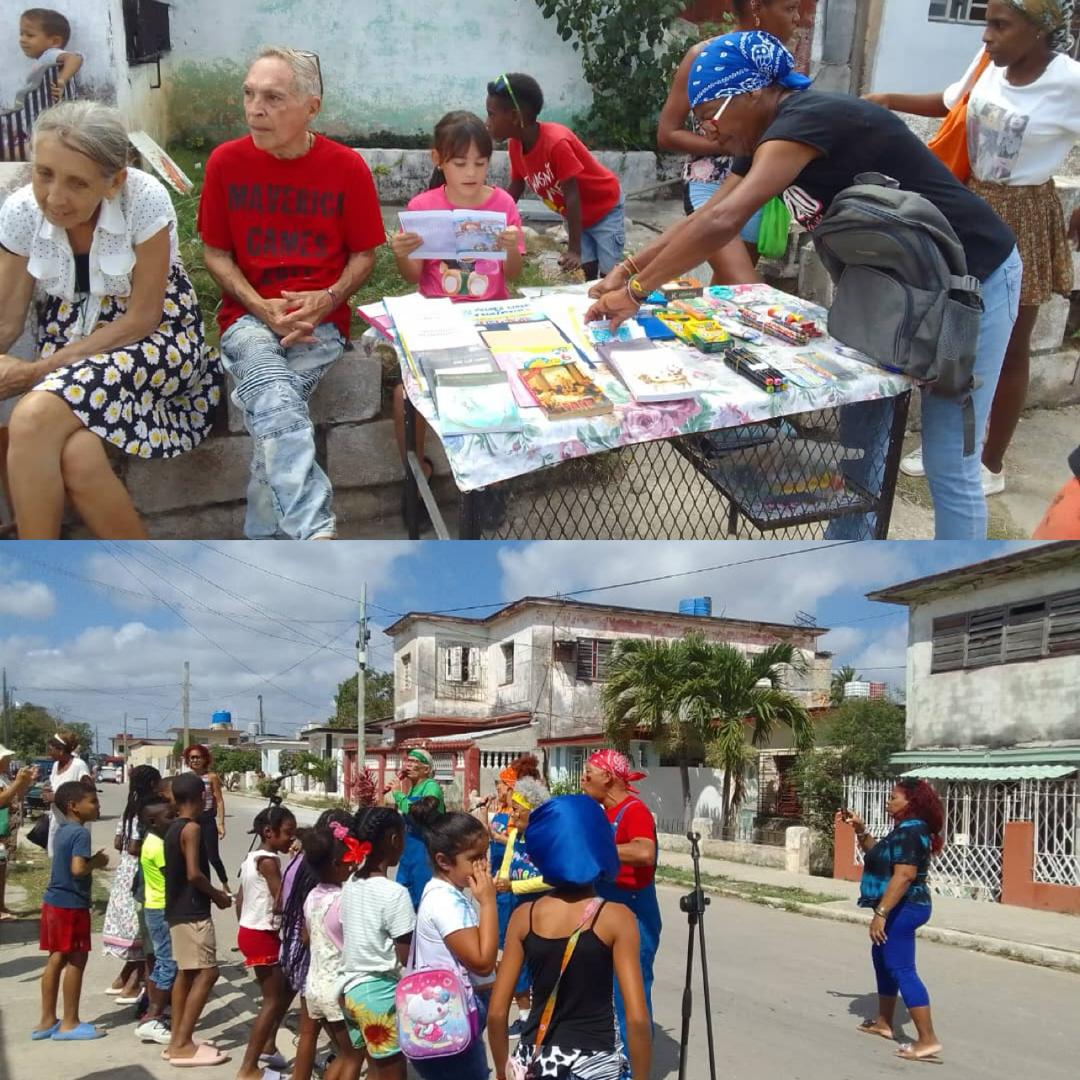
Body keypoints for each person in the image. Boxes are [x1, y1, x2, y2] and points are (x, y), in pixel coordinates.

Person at [585, 31, 1022, 541]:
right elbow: (705, 214)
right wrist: (626, 269)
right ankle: (850, 553)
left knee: (949, 459)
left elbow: (725, 220)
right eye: (700, 121)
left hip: (972, 284)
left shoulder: (810, 118)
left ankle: (958, 575)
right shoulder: (761, 139)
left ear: (753, 92)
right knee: (861, 443)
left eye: (710, 115)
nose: (708, 131)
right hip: (894, 293)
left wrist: (636, 293)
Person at [869, 0, 1080, 496]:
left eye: (1000, 25)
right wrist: (887, 99)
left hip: (1024, 215)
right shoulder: (988, 64)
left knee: (1008, 346)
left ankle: (990, 462)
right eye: (987, 23)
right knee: (951, 334)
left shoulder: (1070, 82)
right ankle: (947, 446)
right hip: (967, 205)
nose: (986, 36)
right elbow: (952, 102)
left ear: (1039, 30)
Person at [0, 101, 223, 538]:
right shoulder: (22, 211)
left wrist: (36, 371)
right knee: (77, 455)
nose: (55, 197)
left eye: (77, 183)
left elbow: (142, 318)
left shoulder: (143, 199)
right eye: (44, 174)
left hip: (154, 340)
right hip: (70, 336)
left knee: (32, 417)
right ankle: (145, 575)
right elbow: (7, 321)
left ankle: (33, 568)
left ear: (114, 181)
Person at [198, 46, 386, 540]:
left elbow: (364, 255)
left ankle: (263, 543)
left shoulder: (346, 167)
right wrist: (259, 306)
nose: (255, 109)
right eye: (249, 94)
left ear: (311, 107)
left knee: (273, 415)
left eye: (273, 98)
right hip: (247, 319)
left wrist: (328, 297)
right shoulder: (225, 163)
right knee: (277, 399)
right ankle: (313, 530)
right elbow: (215, 253)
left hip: (317, 324)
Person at [389, 109, 525, 517]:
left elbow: (513, 273)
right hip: (438, 320)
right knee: (405, 396)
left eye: (480, 163)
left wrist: (510, 249)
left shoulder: (502, 203)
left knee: (502, 386)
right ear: (438, 160)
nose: (471, 172)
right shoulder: (423, 207)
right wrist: (402, 254)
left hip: (490, 318)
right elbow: (414, 275)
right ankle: (416, 474)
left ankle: (493, 480)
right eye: (460, 162)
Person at [489, 794, 651, 1080]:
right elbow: (637, 1019)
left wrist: (504, 1072)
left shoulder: (524, 916)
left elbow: (497, 1013)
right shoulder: (617, 918)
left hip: (537, 1058)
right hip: (595, 1062)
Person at [657, 0, 803, 278]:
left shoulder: (775, 60)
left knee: (727, 288)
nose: (797, 18)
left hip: (756, 188)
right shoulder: (704, 56)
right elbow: (667, 133)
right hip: (711, 185)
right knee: (741, 281)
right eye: (789, 8)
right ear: (757, 8)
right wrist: (731, 143)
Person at [841, 778, 946, 1064]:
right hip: (902, 905)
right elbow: (877, 854)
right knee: (882, 957)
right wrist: (860, 828)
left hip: (905, 906)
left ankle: (927, 1039)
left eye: (893, 797)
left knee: (901, 968)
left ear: (911, 802)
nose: (888, 802)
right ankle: (884, 1022)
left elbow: (905, 875)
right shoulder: (904, 829)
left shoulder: (911, 831)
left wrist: (882, 913)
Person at [485, 72, 624, 280]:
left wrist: (574, 250)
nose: (487, 122)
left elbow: (572, 196)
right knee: (587, 270)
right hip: (577, 217)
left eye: (491, 114)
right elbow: (516, 186)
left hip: (604, 209)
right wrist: (492, 220)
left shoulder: (556, 143)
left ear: (514, 116)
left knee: (610, 274)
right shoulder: (515, 145)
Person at [409, 799, 499, 1080]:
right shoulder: (445, 902)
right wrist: (488, 902)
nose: (483, 865)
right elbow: (482, 962)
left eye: (485, 855)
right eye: (474, 858)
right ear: (444, 861)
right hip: (451, 1014)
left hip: (455, 1012)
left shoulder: (446, 894)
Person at [580, 750, 660, 1053]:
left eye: (588, 773)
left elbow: (644, 852)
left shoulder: (634, 811)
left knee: (630, 994)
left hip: (633, 911)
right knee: (604, 991)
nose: (583, 779)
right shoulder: (605, 814)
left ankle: (633, 1064)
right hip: (605, 908)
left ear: (607, 777)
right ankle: (610, 1056)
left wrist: (597, 850)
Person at [279, 808, 355, 1080]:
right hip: (335, 987)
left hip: (314, 982)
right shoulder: (342, 899)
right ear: (336, 863)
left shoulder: (312, 892)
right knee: (351, 1055)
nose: (352, 864)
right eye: (348, 859)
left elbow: (305, 934)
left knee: (331, 1046)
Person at [339, 807, 415, 1080]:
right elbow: (406, 957)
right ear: (394, 839)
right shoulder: (395, 894)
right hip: (379, 995)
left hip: (351, 991)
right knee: (394, 1074)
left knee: (375, 1069)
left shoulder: (351, 882)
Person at [163, 771, 232, 1067]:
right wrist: (217, 895)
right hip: (193, 911)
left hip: (177, 909)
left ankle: (178, 1039)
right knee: (208, 973)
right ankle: (182, 1044)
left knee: (187, 973)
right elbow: (194, 873)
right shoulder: (191, 829)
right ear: (201, 797)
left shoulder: (172, 827)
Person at [33, 779, 108, 1040]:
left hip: (54, 902)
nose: (98, 806)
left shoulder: (63, 830)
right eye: (93, 801)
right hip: (71, 905)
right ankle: (70, 1022)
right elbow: (78, 869)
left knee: (56, 958)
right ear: (73, 806)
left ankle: (46, 1020)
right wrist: (96, 862)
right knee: (77, 959)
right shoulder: (80, 833)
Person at [235, 804, 298, 1080]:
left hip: (251, 931)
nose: (291, 839)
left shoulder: (251, 857)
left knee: (288, 985)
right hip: (262, 935)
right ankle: (249, 1067)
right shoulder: (270, 862)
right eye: (287, 833)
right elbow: (281, 900)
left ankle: (269, 1045)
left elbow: (240, 899)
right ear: (269, 832)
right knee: (271, 1000)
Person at [494, 775, 552, 1038]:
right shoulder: (516, 834)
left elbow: (550, 879)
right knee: (515, 962)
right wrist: (500, 879)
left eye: (517, 809)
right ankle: (525, 1017)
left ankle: (543, 1017)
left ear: (533, 811)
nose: (512, 814)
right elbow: (507, 863)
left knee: (540, 964)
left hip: (541, 909)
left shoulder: (546, 838)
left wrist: (515, 886)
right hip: (515, 906)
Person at [101, 764, 160, 1003]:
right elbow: (135, 846)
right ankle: (133, 986)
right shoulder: (146, 810)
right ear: (153, 784)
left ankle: (122, 980)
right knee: (141, 931)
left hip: (124, 871)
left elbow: (119, 842)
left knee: (135, 928)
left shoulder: (129, 808)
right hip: (138, 872)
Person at [134, 795, 178, 1045]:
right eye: (170, 817)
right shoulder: (157, 845)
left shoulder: (152, 840)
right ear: (152, 821)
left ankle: (155, 1013)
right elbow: (171, 876)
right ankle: (154, 1016)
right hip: (160, 909)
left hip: (155, 907)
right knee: (167, 963)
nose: (174, 820)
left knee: (162, 962)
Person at [388, 747, 444, 909]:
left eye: (414, 762)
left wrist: (398, 795)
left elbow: (421, 812)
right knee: (402, 898)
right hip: (408, 853)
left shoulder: (431, 786)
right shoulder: (413, 788)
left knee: (422, 899)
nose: (408, 765)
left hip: (424, 852)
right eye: (408, 761)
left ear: (426, 769)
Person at [182, 744, 230, 891]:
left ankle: (225, 884)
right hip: (191, 820)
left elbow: (219, 800)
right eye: (192, 758)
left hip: (207, 819)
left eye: (198, 757)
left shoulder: (211, 777)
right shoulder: (186, 778)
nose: (195, 760)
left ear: (205, 759)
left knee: (213, 857)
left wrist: (221, 823)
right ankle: (198, 886)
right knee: (192, 856)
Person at [13, 8, 82, 108]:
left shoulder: (50, 54)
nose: (22, 40)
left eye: (30, 35)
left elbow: (75, 59)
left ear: (55, 42)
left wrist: (61, 80)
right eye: (21, 34)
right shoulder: (45, 59)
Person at [42, 731, 92, 857]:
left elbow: (89, 792)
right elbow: (55, 787)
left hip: (74, 825)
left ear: (60, 750)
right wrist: (47, 793)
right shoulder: (55, 766)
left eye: (51, 749)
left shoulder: (78, 765)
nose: (49, 753)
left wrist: (57, 797)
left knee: (73, 860)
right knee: (57, 859)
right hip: (57, 822)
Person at [0, 744, 35, 919]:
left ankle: (1, 906)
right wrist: (18, 782)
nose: (9, 760)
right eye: (5, 758)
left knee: (2, 868)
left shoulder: (4, 777)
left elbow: (17, 797)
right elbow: (1, 800)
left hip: (5, 829)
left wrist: (26, 782)